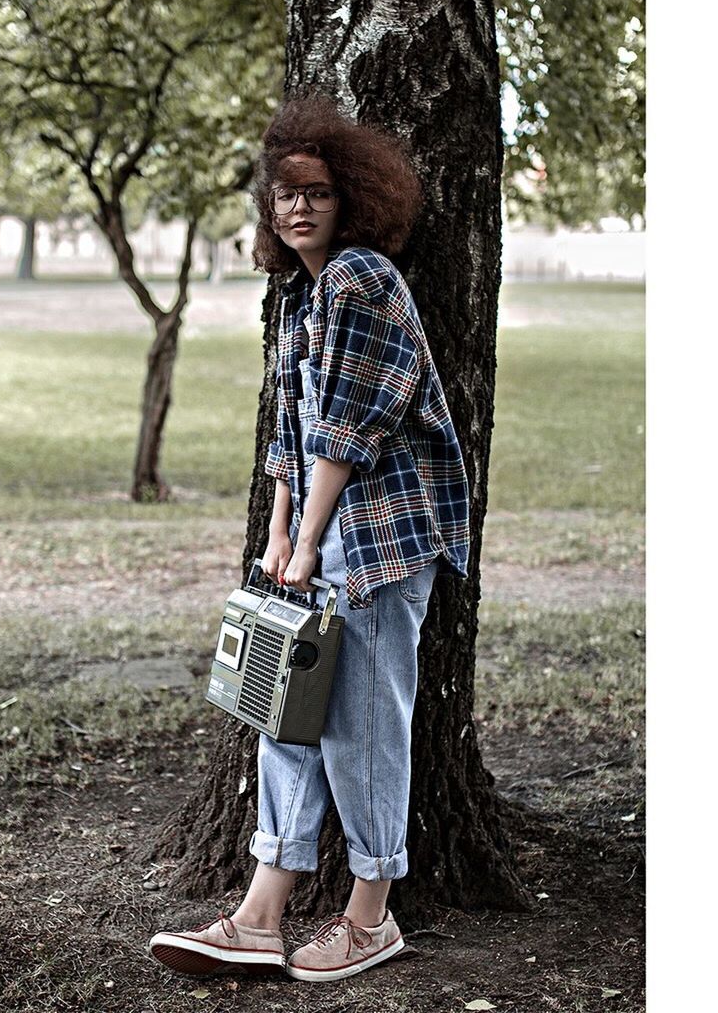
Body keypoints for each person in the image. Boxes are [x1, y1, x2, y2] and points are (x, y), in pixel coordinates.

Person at [148, 95, 470, 983]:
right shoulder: (301, 296)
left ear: (351, 199)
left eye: (317, 192)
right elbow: (290, 438)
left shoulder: (361, 279)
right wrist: (280, 537)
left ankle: (372, 917)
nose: (297, 209)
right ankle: (260, 913)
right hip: (320, 536)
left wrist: (309, 538)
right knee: (284, 716)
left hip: (378, 539)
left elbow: (350, 429)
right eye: (284, 195)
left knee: (362, 729)